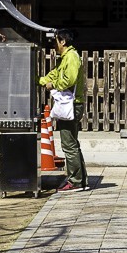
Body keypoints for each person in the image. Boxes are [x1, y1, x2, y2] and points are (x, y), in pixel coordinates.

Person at [38, 29, 88, 192]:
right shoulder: (66, 58)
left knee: (68, 145)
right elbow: (55, 74)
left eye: (55, 41)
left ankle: (75, 182)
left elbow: (69, 79)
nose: (54, 45)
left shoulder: (71, 57)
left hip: (71, 105)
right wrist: (41, 80)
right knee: (73, 143)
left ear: (63, 42)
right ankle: (80, 180)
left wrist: (54, 85)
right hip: (74, 104)